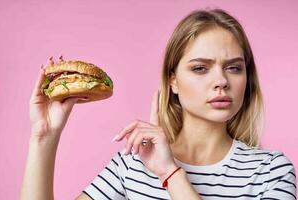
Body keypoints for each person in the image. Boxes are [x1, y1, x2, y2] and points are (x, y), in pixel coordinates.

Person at [20, 8, 296, 200]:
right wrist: (43, 137)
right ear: (172, 81)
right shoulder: (134, 164)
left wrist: (170, 173)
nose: (221, 81)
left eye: (234, 68)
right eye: (201, 68)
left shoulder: (271, 171)